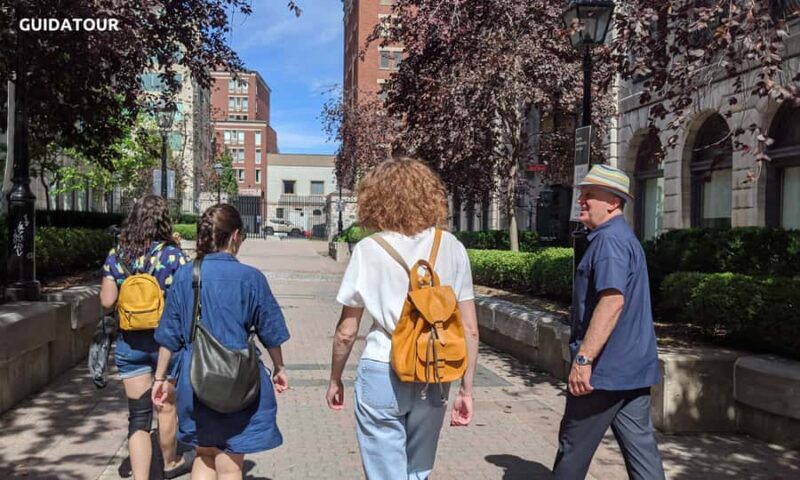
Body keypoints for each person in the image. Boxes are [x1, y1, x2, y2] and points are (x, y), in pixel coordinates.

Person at [326, 157, 480, 480]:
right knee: (417, 472)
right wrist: (466, 389)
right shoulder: (451, 246)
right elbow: (469, 328)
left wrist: (335, 378)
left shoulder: (369, 249)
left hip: (383, 364)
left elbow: (346, 331)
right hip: (436, 367)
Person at [152, 204, 290, 480]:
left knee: (204, 453)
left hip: (197, 377)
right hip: (239, 378)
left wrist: (160, 379)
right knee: (231, 457)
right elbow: (270, 330)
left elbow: (169, 334)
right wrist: (279, 368)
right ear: (235, 235)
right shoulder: (251, 278)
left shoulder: (186, 275)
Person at [553, 164, 665, 480]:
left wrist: (584, 359)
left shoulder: (607, 242)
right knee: (643, 456)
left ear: (613, 202)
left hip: (602, 375)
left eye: (590, 195)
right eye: (582, 195)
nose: (582, 201)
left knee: (572, 453)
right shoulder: (623, 238)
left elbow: (612, 301)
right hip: (632, 371)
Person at [99, 195, 190, 479]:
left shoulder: (117, 254)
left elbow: (106, 302)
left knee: (138, 417)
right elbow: (186, 300)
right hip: (167, 344)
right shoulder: (174, 256)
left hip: (130, 343)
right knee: (166, 407)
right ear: (164, 220)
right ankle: (170, 463)